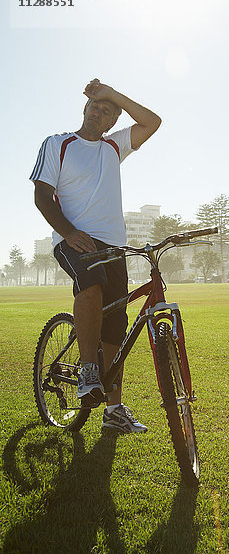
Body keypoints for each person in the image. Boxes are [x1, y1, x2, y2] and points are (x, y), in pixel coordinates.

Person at [30, 78, 161, 433]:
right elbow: (42, 195)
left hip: (113, 246)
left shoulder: (113, 147)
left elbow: (152, 122)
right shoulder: (58, 144)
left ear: (112, 122)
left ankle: (113, 410)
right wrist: (69, 232)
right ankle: (88, 372)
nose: (98, 112)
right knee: (91, 287)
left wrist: (111, 93)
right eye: (94, 106)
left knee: (116, 326)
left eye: (106, 111)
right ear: (83, 109)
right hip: (74, 240)